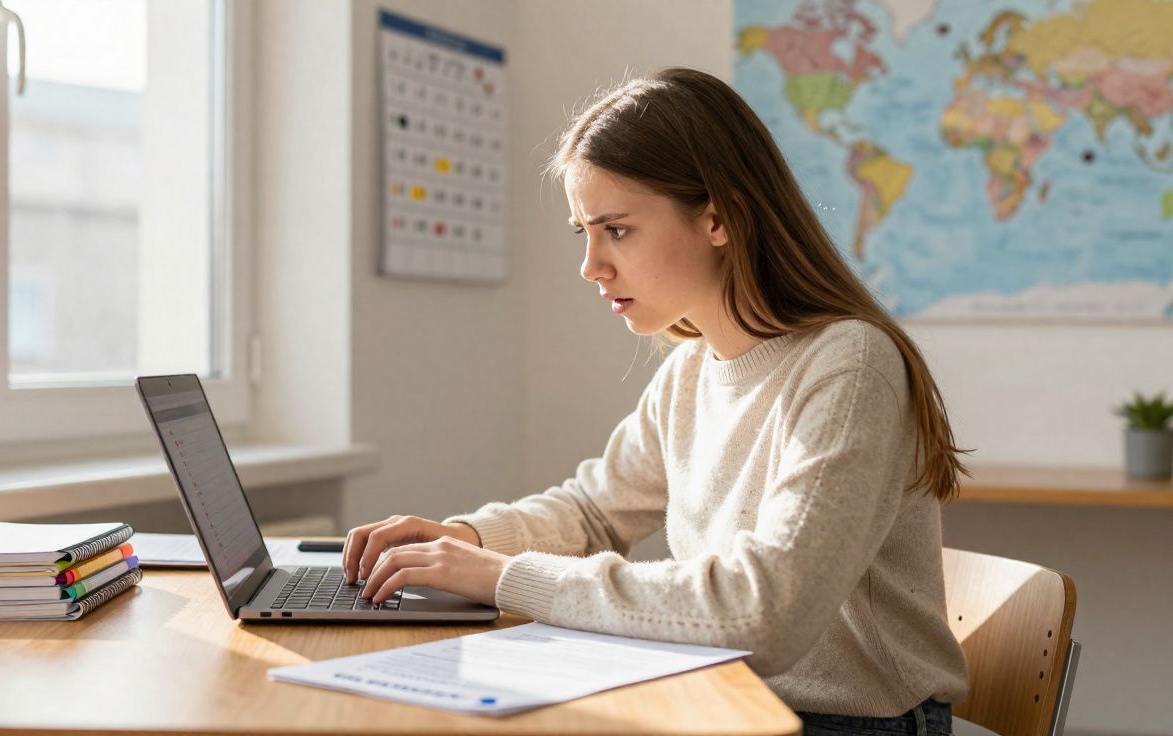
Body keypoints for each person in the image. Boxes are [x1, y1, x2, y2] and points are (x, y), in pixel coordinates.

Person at [342, 67, 970, 736]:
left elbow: (766, 614)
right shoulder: (693, 370)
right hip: (724, 696)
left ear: (720, 218)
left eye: (616, 229)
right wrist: (465, 538)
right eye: (583, 231)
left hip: (836, 721)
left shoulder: (849, 366)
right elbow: (593, 512)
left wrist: (500, 577)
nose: (592, 266)